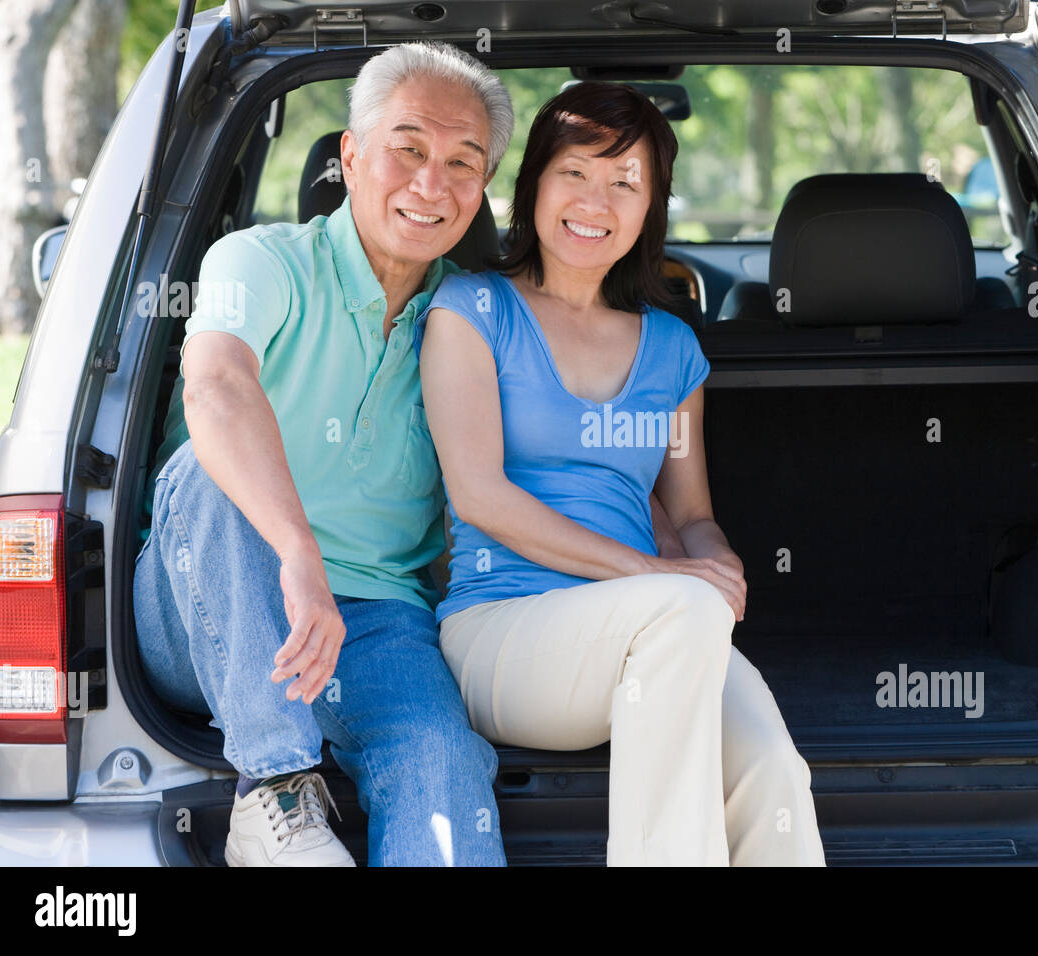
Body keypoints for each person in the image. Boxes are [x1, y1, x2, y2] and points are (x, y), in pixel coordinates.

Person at [418, 81, 826, 866]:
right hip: (503, 631)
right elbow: (480, 494)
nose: (595, 200)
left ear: (650, 210)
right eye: (575, 172)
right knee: (680, 613)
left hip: (658, 630)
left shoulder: (672, 348)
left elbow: (692, 513)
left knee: (773, 771)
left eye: (624, 183)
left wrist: (716, 561)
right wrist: (654, 575)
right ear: (533, 182)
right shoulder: (471, 312)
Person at [132, 41, 514, 866]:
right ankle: (276, 792)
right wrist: (296, 552)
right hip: (202, 603)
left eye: (462, 162)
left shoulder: (472, 319)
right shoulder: (259, 260)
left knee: (442, 763)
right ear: (350, 154)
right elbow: (217, 391)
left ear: (484, 187)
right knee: (206, 465)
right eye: (408, 149)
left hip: (374, 622)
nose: (431, 183)